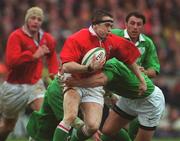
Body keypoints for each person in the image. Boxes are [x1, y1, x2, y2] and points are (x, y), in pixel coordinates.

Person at [54, 9, 147, 141]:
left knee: (92, 126)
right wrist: (88, 67)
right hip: (72, 80)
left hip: (92, 84)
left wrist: (141, 79)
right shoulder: (77, 38)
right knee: (70, 116)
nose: (110, 29)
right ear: (95, 24)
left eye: (111, 26)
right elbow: (66, 66)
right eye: (107, 25)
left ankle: (73, 139)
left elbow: (129, 58)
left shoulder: (111, 40)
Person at [65, 58, 165, 141]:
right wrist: (110, 95)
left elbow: (102, 80)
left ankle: (137, 124)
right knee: (108, 130)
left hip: (149, 101)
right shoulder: (96, 69)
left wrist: (76, 82)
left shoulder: (110, 65)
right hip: (128, 98)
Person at [0, 6, 59, 141]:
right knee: (7, 126)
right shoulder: (16, 36)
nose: (36, 21)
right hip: (14, 86)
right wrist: (33, 56)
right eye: (33, 18)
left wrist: (53, 73)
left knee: (43, 114)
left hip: (34, 82)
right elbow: (11, 62)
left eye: (39, 19)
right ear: (27, 20)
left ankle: (35, 138)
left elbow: (52, 55)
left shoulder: (46, 38)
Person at [111, 11, 160, 140]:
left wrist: (144, 72)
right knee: (107, 128)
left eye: (139, 24)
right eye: (132, 23)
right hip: (114, 85)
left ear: (142, 26)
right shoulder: (115, 35)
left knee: (133, 123)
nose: (135, 27)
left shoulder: (147, 43)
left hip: (134, 87)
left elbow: (154, 70)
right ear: (126, 24)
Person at [26, 75, 84, 141]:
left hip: (59, 133)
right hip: (42, 134)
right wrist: (89, 127)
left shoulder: (80, 89)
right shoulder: (55, 90)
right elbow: (70, 118)